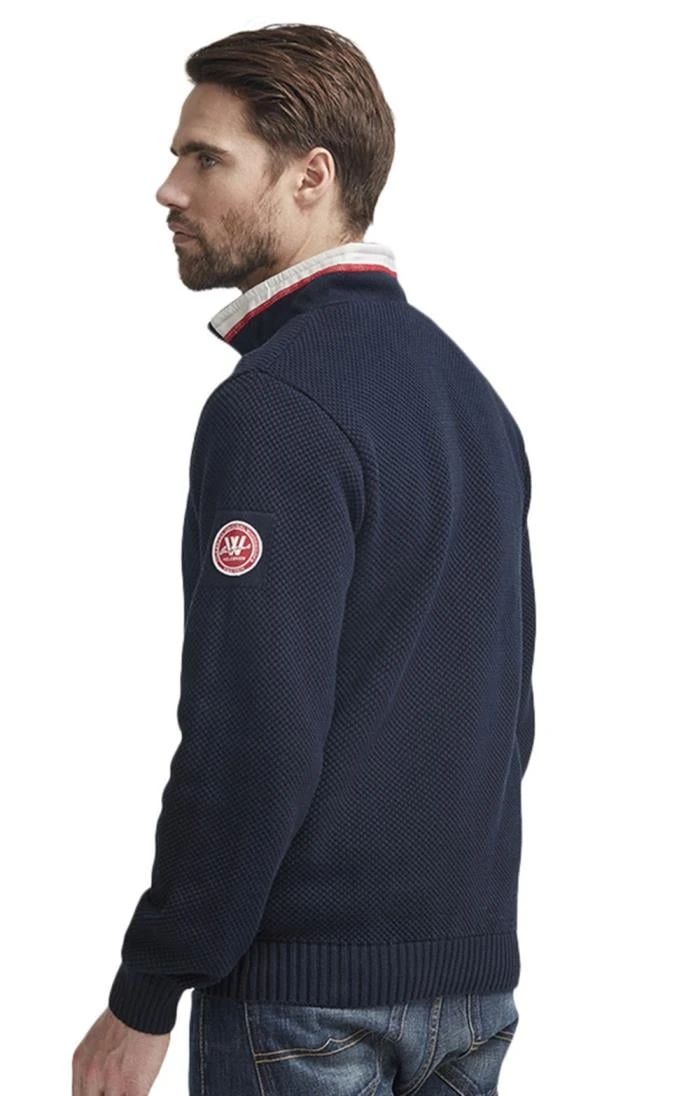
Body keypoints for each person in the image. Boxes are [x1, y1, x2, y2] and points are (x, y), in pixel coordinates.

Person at [71, 22, 536, 1096]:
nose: (169, 190)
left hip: (307, 1008)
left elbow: (250, 735)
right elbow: (505, 711)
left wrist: (149, 989)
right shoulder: (472, 398)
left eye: (206, 159)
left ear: (310, 177)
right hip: (470, 993)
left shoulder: (274, 409)